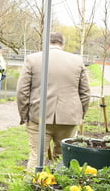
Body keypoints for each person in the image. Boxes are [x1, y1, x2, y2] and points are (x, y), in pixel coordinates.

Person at [16, 32, 91, 170]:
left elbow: (22, 91)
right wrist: (80, 115)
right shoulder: (77, 61)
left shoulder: (32, 59)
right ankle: (61, 189)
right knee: (64, 158)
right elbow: (85, 93)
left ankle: (31, 188)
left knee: (37, 157)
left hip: (38, 116)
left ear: (46, 42)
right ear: (62, 43)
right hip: (69, 117)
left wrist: (24, 115)